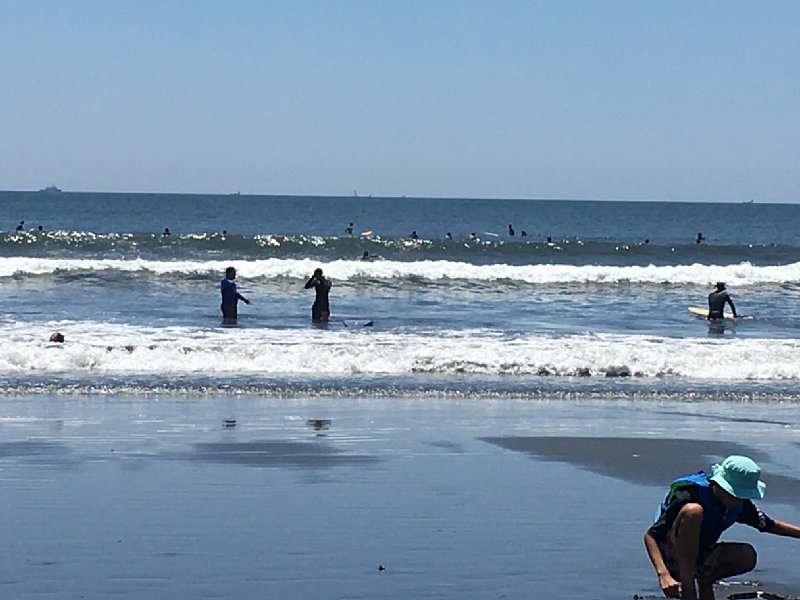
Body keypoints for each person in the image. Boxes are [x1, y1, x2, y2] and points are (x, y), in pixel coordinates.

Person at [644, 455, 800, 600]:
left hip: (701, 554)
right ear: (718, 485)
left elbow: (769, 525)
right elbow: (651, 536)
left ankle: (705, 581)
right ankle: (688, 590)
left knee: (747, 555)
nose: (738, 501)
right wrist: (663, 574)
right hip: (670, 553)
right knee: (693, 512)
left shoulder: (740, 505)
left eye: (742, 496)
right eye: (734, 495)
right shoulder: (690, 494)